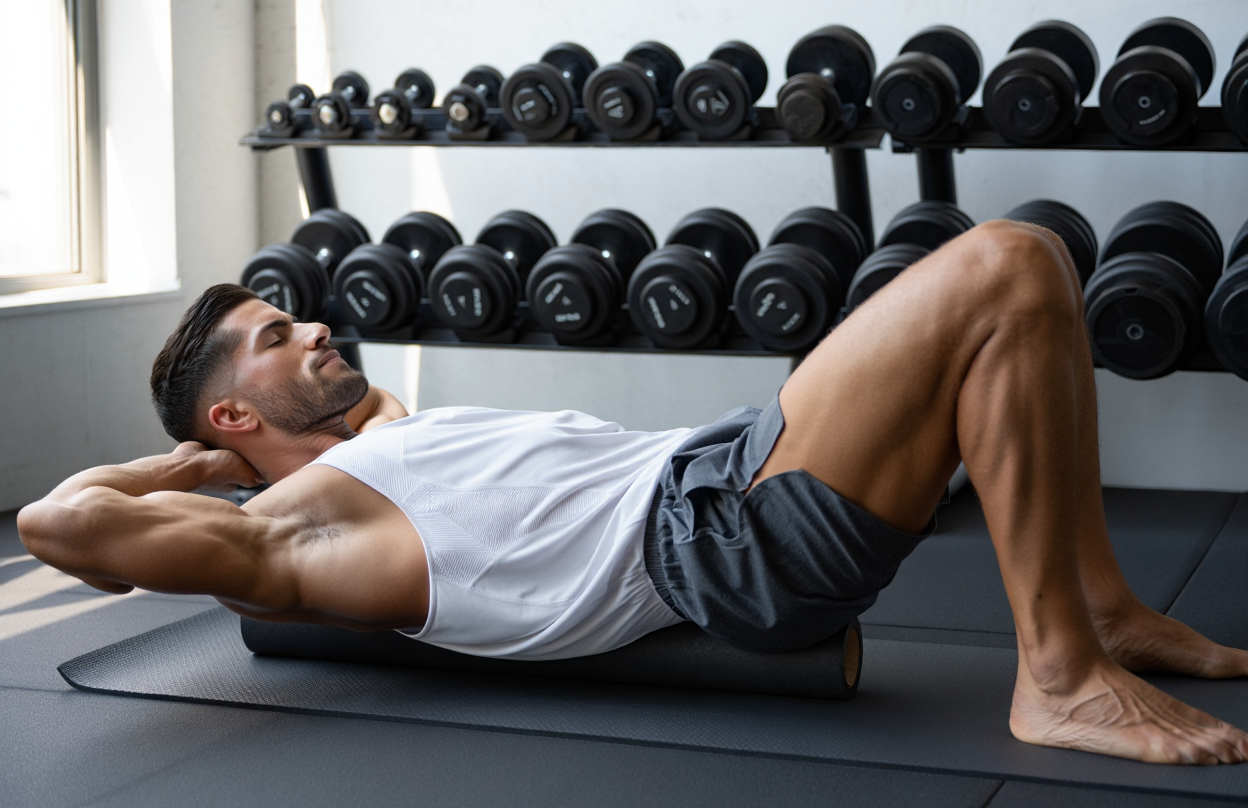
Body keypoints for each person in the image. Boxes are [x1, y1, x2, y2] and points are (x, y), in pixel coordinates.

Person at [17, 220, 1248, 765]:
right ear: (231, 417)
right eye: (279, 337)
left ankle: (1101, 606)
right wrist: (178, 467)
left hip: (716, 470)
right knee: (1008, 264)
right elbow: (59, 523)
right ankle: (1059, 678)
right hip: (721, 537)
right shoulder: (299, 523)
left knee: (1029, 286)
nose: (318, 326)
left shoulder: (398, 431)